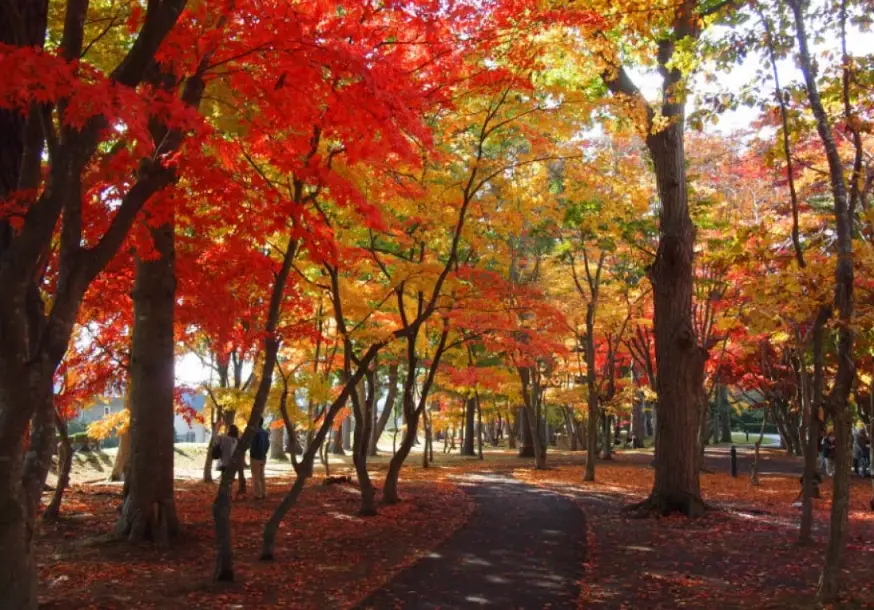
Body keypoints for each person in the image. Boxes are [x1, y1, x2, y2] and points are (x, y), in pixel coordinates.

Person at [250, 417, 270, 500]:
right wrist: (264, 453)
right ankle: (264, 492)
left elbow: (253, 445)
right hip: (263, 457)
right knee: (261, 476)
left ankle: (258, 494)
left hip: (255, 457)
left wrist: (252, 454)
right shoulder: (265, 433)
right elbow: (268, 445)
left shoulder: (255, 433)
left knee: (256, 476)